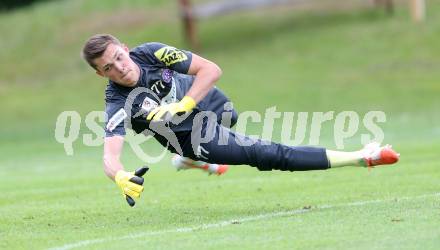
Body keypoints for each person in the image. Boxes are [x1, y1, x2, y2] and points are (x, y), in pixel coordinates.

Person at [81, 34, 399, 207]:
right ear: (100, 74)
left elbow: (211, 70)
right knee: (266, 153)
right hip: (193, 134)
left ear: (125, 48)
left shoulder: (152, 52)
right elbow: (109, 156)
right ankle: (363, 157)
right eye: (108, 67)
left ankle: (184, 159)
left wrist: (184, 103)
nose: (119, 68)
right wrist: (120, 176)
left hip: (205, 100)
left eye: (119, 57)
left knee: (231, 115)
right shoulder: (117, 101)